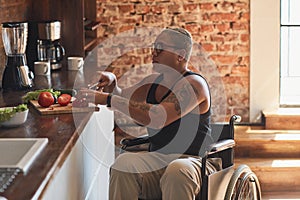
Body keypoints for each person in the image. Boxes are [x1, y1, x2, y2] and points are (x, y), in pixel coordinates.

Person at [78, 27, 221, 200]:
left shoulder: (193, 85)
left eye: (160, 48)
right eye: (154, 47)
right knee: (123, 165)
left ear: (181, 55)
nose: (153, 53)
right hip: (159, 158)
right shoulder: (153, 82)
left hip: (195, 161)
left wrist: (108, 99)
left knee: (177, 171)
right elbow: (121, 97)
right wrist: (112, 81)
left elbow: (158, 117)